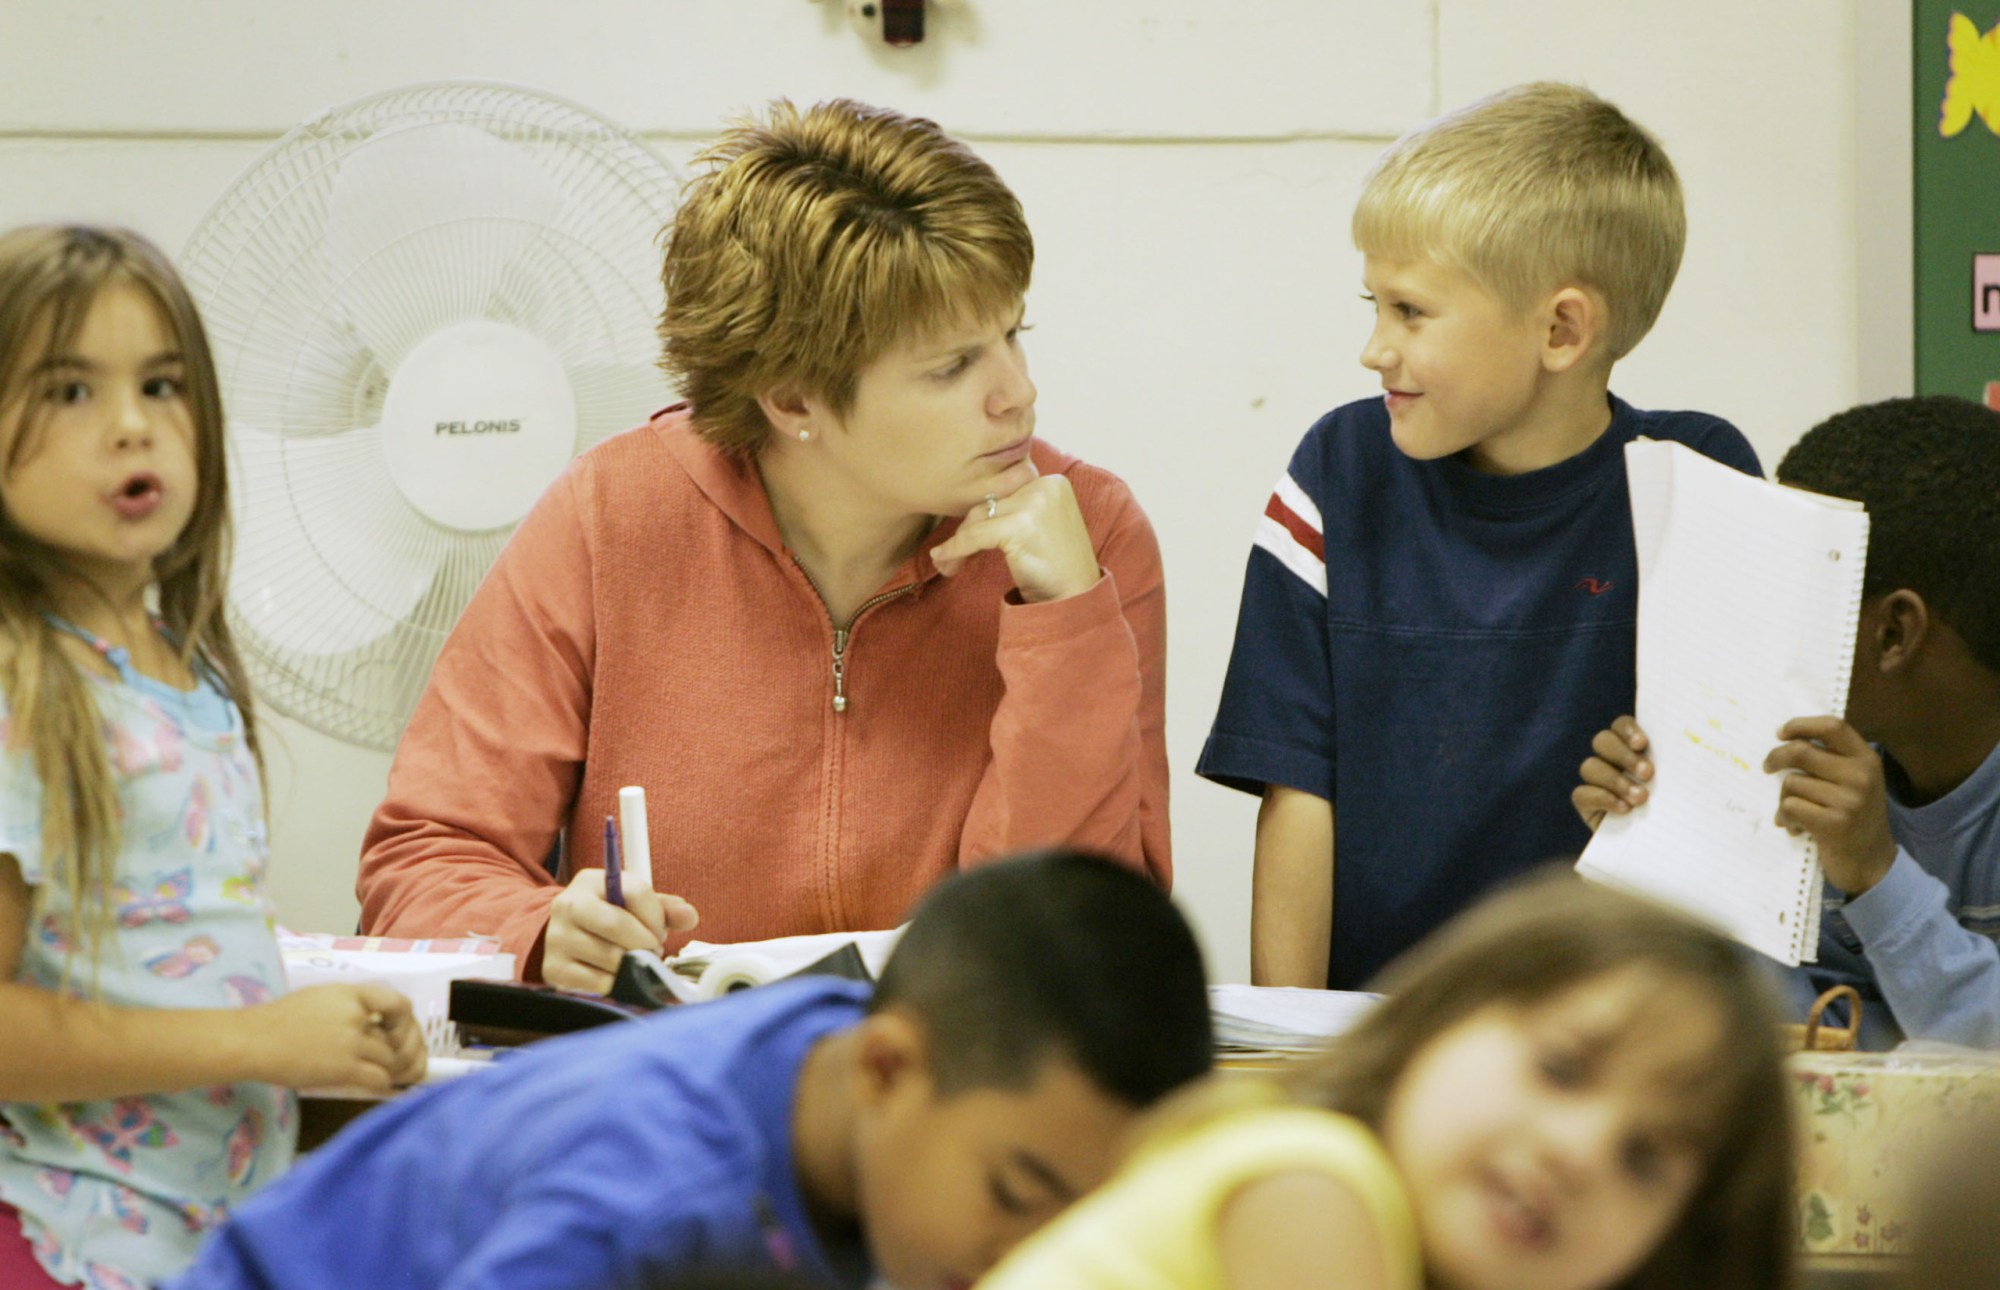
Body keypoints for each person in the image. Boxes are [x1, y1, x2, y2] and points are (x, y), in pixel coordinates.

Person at [358, 98, 1171, 992]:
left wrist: (1066, 626)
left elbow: (1086, 941)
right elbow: (422, 862)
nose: (1019, 393)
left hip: (954, 1095)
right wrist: (541, 932)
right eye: (951, 366)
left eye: (1014, 334)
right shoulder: (609, 516)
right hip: (677, 1090)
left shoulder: (1089, 536)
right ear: (791, 402)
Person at [1198, 82, 1760, 990]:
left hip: (1611, 1030)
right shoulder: (1336, 469)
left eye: (1411, 312)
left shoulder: (1703, 480)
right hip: (1371, 1035)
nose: (1374, 347)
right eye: (1373, 304)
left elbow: (1732, 812)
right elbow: (1298, 790)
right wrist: (1295, 1055)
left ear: (1562, 329)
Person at [171, 849, 1214, 1290]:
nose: (1028, 1257)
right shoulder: (649, 1186)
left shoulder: (848, 1060)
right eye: (1013, 1194)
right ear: (889, 1070)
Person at [0, 225, 427, 1290]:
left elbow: (168, 944)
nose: (132, 428)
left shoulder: (187, 679)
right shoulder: (20, 689)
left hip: (198, 1245)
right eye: (67, 391)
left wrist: (332, 1035)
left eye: (162, 383)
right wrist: (259, 1044)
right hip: (60, 1238)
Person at [978, 872, 1795, 1290]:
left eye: (1645, 1160)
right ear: (1442, 1019)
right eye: (1561, 1067)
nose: (1578, 1151)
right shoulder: (1315, 1184)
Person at [1574, 395, 2000, 1048]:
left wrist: (1876, 876)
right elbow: (1801, 1037)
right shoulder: (1825, 768)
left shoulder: (1847, 805)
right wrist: (1672, 872)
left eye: (1799, 590)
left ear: (1894, 633)